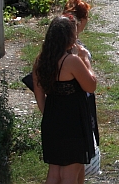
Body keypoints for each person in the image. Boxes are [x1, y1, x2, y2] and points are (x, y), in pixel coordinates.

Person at [32, 16, 97, 184]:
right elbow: (91, 86)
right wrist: (85, 59)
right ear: (68, 38)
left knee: (54, 172)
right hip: (73, 121)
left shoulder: (40, 61)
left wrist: (50, 115)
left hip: (52, 119)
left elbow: (39, 95)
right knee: (70, 173)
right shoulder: (71, 61)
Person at [63, 0, 99, 175]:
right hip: (80, 101)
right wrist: (86, 60)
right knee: (77, 160)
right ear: (82, 20)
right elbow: (90, 83)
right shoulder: (75, 49)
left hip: (62, 103)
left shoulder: (56, 44)